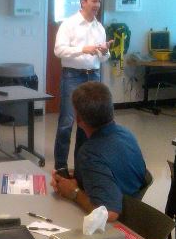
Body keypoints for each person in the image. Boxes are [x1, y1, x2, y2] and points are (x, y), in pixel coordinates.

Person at [51, 82, 146, 222]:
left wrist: (74, 192)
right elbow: (110, 168)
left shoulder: (90, 153)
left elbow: (110, 213)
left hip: (119, 224)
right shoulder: (126, 133)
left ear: (78, 119)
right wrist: (80, 174)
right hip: (133, 206)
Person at [54, 0, 113, 170]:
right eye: (94, 1)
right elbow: (59, 50)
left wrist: (105, 52)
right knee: (67, 122)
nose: (97, 5)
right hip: (73, 76)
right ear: (83, 2)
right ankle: (61, 167)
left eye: (99, 2)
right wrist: (82, 49)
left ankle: (80, 168)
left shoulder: (99, 28)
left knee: (86, 124)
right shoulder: (69, 24)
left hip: (93, 76)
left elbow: (103, 58)